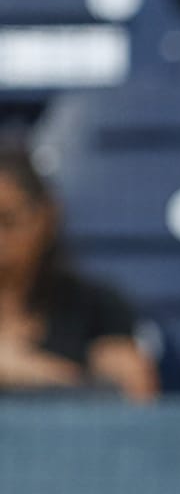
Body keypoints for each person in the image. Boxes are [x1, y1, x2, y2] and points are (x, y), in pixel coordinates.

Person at [0, 145, 157, 402]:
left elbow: (134, 397)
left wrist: (30, 372)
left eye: (8, 222)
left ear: (44, 217)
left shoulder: (95, 306)